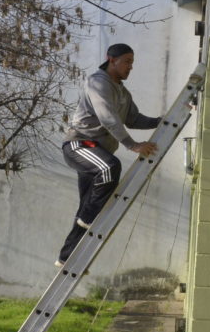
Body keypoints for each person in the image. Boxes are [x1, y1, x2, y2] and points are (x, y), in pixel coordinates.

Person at [56, 43, 161, 266]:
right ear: (112, 60)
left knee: (87, 205)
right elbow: (107, 117)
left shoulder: (123, 92)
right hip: (79, 145)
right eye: (127, 62)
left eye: (132, 63)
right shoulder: (97, 82)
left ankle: (66, 259)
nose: (130, 67)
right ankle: (89, 218)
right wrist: (132, 145)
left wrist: (163, 121)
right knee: (109, 168)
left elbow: (134, 119)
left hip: (97, 151)